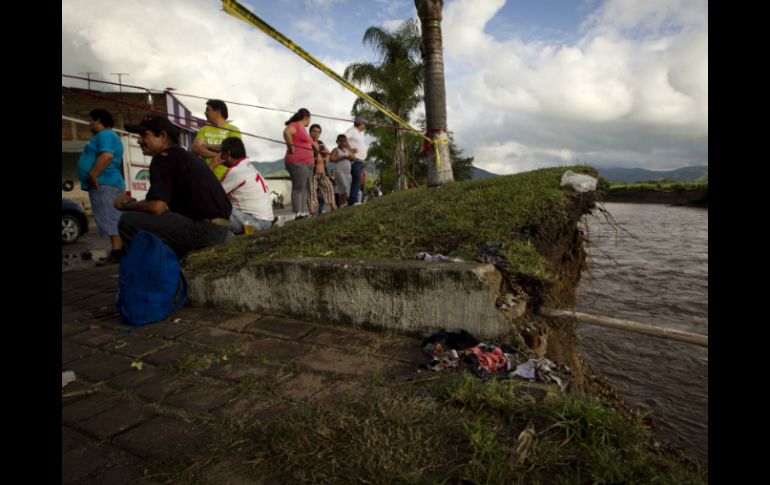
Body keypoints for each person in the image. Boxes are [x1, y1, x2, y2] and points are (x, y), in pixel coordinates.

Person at [115, 115, 232, 258]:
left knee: (128, 221)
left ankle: (146, 273)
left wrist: (126, 204)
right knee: (165, 220)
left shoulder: (164, 157)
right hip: (221, 229)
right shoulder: (188, 157)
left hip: (205, 230)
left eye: (144, 135)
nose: (139, 141)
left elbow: (157, 206)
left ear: (163, 136)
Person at [76, 109, 125, 266]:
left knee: (111, 218)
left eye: (91, 120)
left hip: (105, 183)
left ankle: (117, 253)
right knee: (110, 217)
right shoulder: (105, 136)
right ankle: (117, 252)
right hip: (104, 183)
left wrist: (92, 175)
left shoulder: (106, 135)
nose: (89, 124)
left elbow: (107, 155)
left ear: (98, 120)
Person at [214, 137, 274, 234]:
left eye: (222, 154)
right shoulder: (249, 167)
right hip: (266, 222)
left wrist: (212, 166)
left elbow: (211, 194)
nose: (221, 157)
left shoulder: (235, 171)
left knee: (212, 206)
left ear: (228, 153)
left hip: (254, 223)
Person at [192, 99, 241, 180]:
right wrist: (219, 156)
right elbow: (195, 148)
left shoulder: (234, 129)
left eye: (208, 110)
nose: (205, 113)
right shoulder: (204, 129)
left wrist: (206, 145)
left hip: (228, 178)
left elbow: (232, 149)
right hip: (207, 176)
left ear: (218, 112)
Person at [282, 108, 314, 219]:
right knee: (299, 187)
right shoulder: (295, 125)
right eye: (310, 119)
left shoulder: (303, 129)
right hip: (297, 162)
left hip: (308, 163)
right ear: (306, 117)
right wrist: (291, 147)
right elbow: (287, 132)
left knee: (306, 188)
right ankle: (297, 212)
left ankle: (302, 212)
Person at [307, 124, 336, 216]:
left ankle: (333, 206)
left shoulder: (320, 143)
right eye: (314, 131)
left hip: (322, 171)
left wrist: (326, 159)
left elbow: (328, 153)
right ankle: (312, 211)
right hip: (312, 172)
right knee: (311, 191)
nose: (316, 133)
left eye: (318, 132)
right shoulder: (307, 143)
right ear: (310, 132)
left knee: (329, 187)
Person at [345, 117, 368, 205]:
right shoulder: (352, 130)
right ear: (360, 124)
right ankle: (353, 200)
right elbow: (344, 138)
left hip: (360, 161)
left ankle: (353, 199)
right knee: (356, 179)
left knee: (358, 180)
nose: (365, 125)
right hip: (355, 160)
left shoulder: (359, 133)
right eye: (364, 124)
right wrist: (349, 149)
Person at [330, 134, 353, 207]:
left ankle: (342, 205)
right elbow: (331, 159)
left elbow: (353, 157)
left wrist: (351, 157)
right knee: (344, 186)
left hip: (348, 173)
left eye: (344, 141)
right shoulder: (336, 150)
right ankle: (344, 203)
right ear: (337, 141)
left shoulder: (347, 150)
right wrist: (341, 157)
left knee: (344, 189)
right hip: (339, 172)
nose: (342, 143)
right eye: (340, 141)